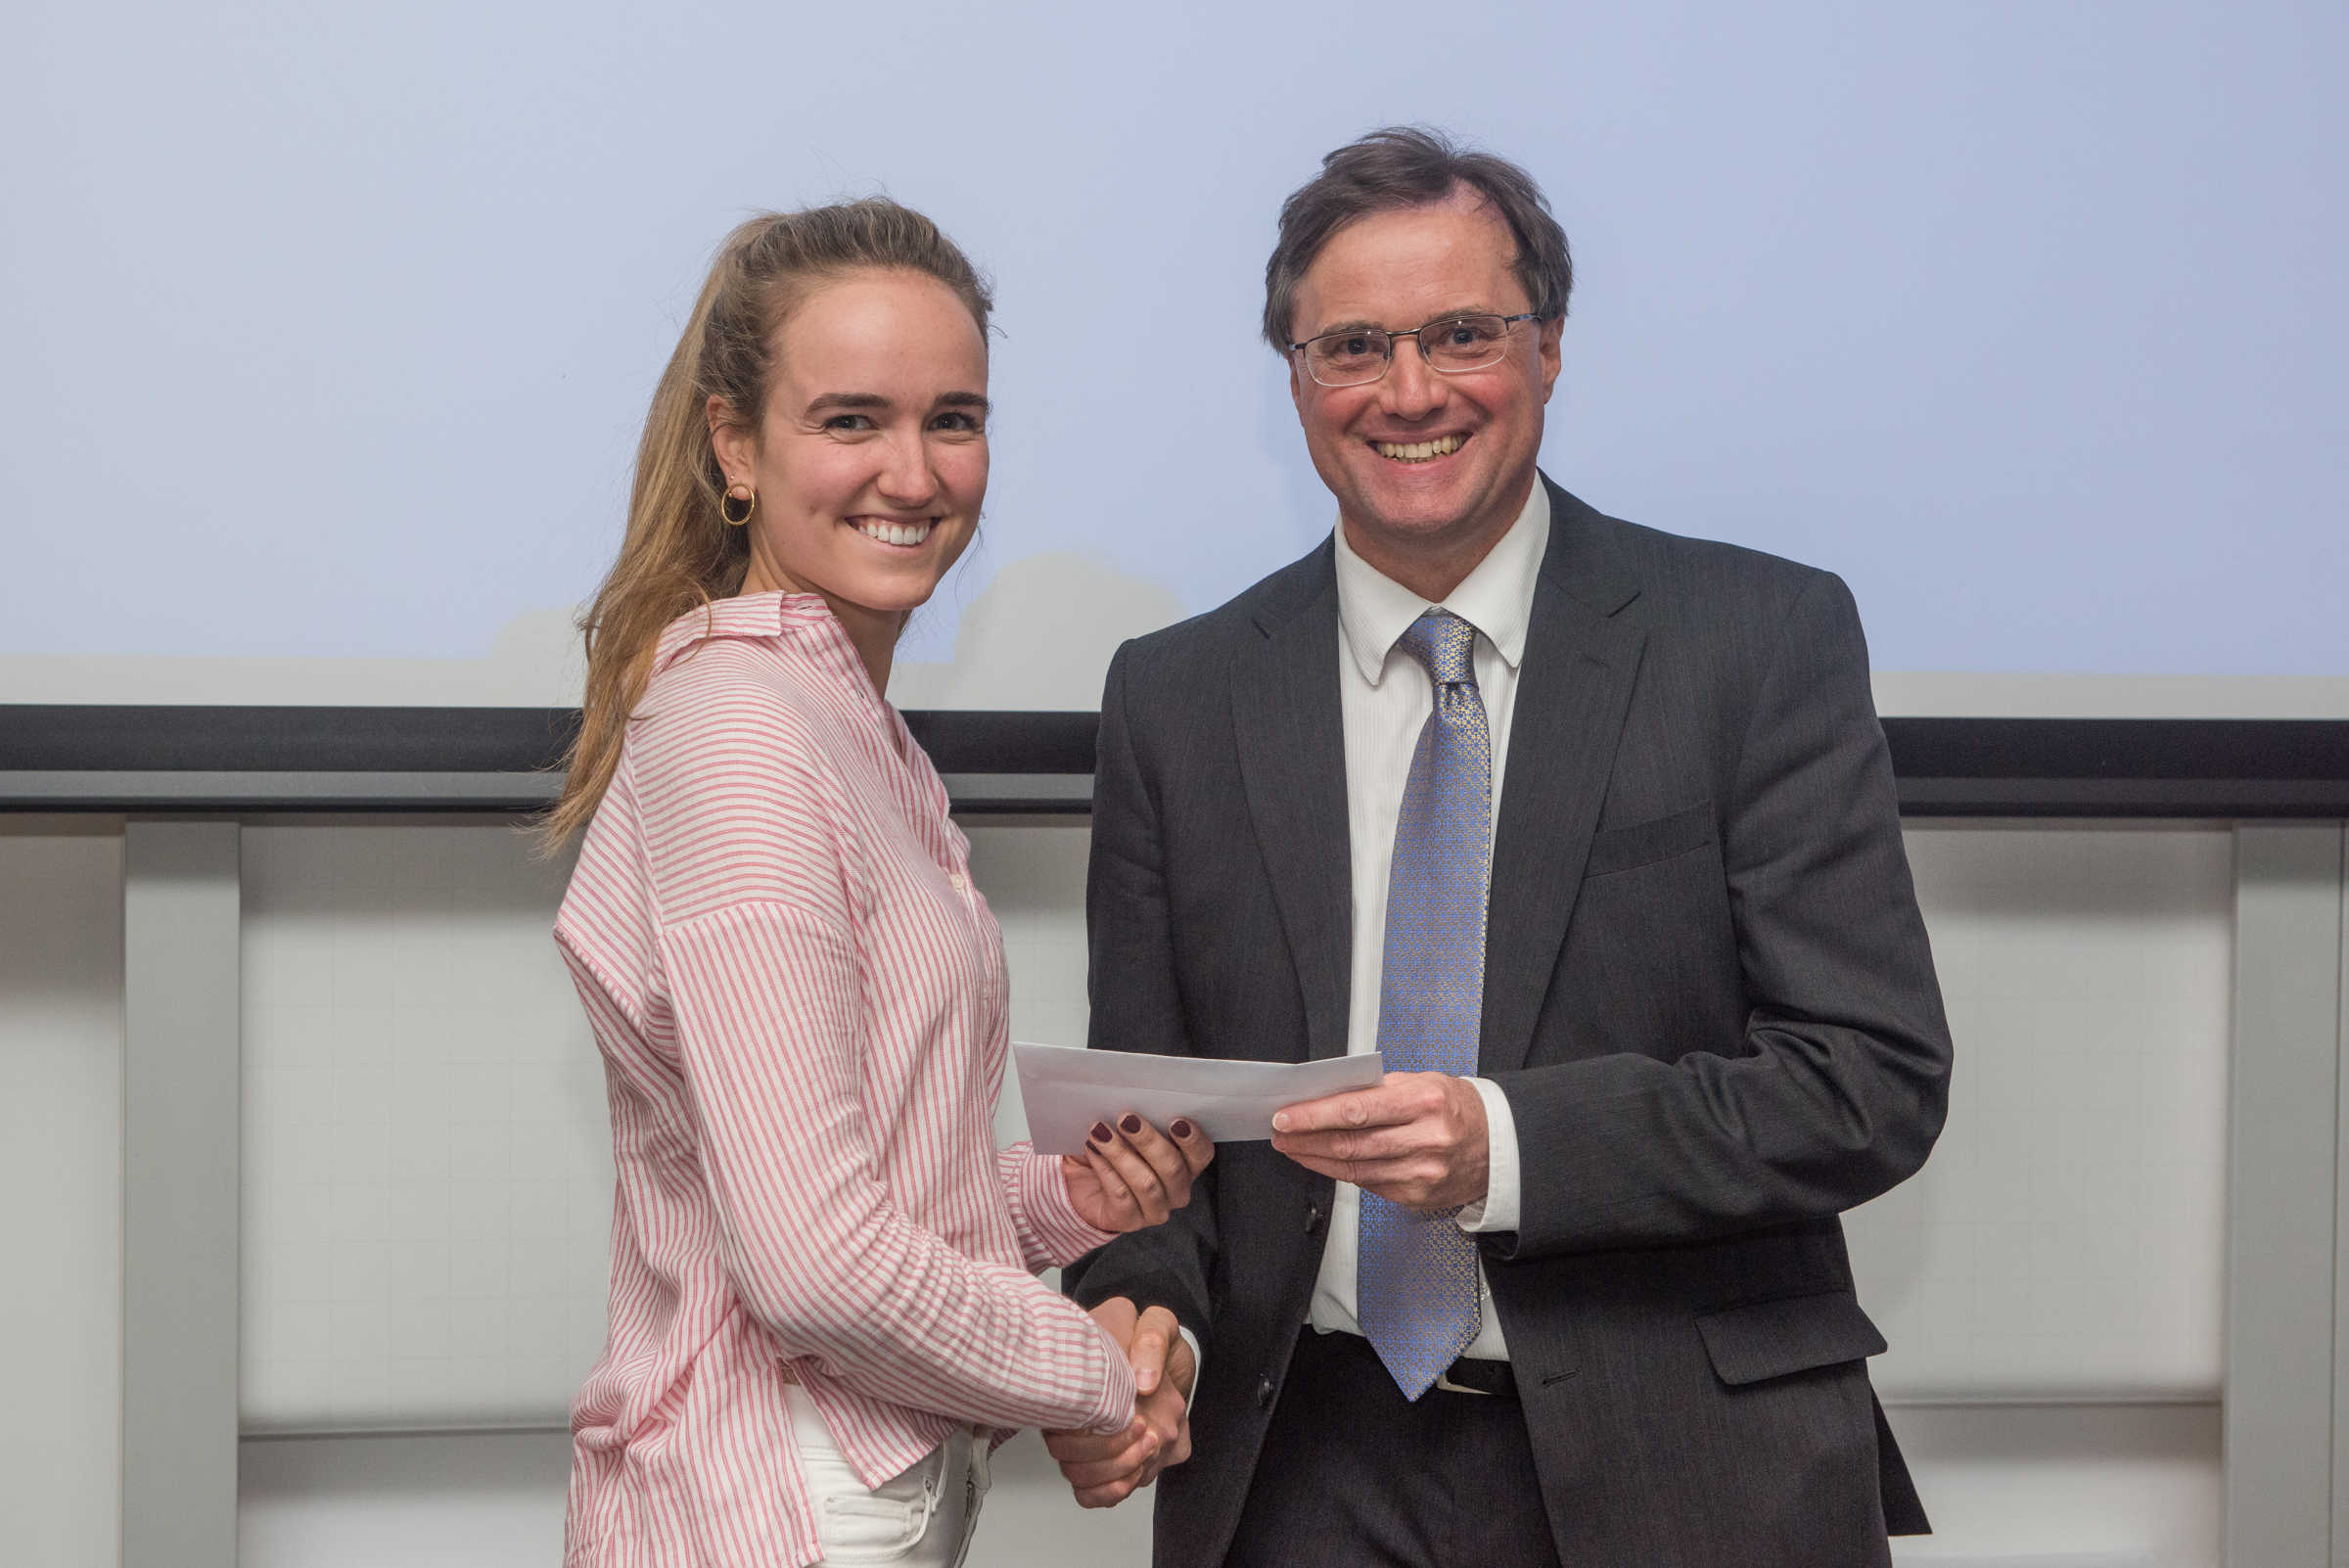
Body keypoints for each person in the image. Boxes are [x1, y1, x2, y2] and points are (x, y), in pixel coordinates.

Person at [1052, 128, 1953, 1566]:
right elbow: (1155, 1139)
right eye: (1353, 345)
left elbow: (1868, 1080)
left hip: (1688, 1463)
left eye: (1463, 333)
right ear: (1294, 376)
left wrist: (1509, 1147)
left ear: (1549, 348)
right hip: (1298, 1477)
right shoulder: (1178, 695)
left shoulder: (1754, 641)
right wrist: (1127, 1305)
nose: (1410, 392)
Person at [546, 200, 1213, 1568]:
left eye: (952, 419)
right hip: (776, 1506)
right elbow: (814, 1262)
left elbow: (874, 1186)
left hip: (848, 1491)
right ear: (736, 445)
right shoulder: (744, 731)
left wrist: (1064, 1203)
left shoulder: (846, 723)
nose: (913, 474)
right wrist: (1096, 1372)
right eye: (851, 420)